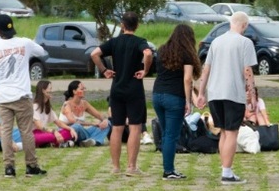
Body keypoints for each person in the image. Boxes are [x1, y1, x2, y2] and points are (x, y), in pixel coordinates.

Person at [194, 11, 257, 185]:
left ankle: (225, 168)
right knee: (232, 133)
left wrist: (201, 93)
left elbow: (205, 69)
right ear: (244, 25)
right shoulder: (245, 42)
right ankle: (227, 173)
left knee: (223, 131)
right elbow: (247, 71)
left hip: (215, 93)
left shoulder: (216, 42)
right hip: (233, 93)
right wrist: (252, 95)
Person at [0, 14, 48, 177]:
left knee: (6, 131)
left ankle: (9, 167)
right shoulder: (25, 43)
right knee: (26, 131)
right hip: (22, 95)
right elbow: (41, 51)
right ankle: (31, 166)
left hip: (3, 96)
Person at [91, 11, 153, 176]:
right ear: (137, 25)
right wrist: (145, 70)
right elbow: (148, 53)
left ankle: (116, 167)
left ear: (122, 25)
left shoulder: (114, 42)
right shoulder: (140, 42)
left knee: (117, 127)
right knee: (135, 127)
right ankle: (131, 166)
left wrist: (104, 69)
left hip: (116, 89)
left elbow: (94, 54)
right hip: (134, 88)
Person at [152, 24, 201, 180]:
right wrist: (188, 100)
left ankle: (168, 167)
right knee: (171, 136)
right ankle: (168, 170)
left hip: (157, 94)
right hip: (174, 97)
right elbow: (187, 79)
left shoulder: (162, 50)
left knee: (167, 134)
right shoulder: (186, 54)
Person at [26, 81, 78, 147]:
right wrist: (54, 131)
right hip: (34, 134)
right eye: (50, 89)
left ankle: (49, 143)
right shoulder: (34, 107)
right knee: (51, 136)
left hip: (44, 133)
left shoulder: (47, 107)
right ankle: (57, 143)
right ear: (43, 91)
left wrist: (70, 129)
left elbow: (58, 122)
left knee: (69, 132)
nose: (52, 91)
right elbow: (39, 127)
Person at [61, 81, 111, 147]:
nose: (84, 91)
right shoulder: (66, 104)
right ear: (74, 91)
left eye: (85, 88)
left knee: (108, 123)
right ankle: (94, 140)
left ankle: (89, 141)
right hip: (69, 130)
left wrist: (104, 120)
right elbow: (72, 121)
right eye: (82, 89)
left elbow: (98, 115)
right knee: (77, 126)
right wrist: (92, 123)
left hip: (81, 132)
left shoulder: (84, 103)